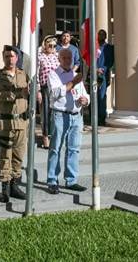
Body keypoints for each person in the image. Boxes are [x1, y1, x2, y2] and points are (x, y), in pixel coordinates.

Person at [46, 48, 89, 194]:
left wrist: (85, 100)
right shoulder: (54, 74)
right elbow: (55, 93)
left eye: (70, 58)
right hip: (60, 114)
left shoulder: (76, 75)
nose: (68, 60)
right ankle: (52, 180)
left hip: (76, 115)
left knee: (74, 149)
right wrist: (72, 83)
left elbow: (85, 95)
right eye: (64, 58)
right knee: (55, 148)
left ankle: (71, 180)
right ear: (59, 59)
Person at [0, 45, 29, 203]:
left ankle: (14, 185)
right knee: (5, 156)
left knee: (18, 156)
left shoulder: (24, 74)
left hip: (21, 121)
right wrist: (20, 92)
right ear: (3, 57)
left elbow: (30, 92)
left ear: (17, 58)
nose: (10, 59)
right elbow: (1, 94)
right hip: (6, 122)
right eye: (7, 56)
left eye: (12, 56)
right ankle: (4, 188)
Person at [37, 35, 60, 149]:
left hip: (56, 87)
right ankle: (45, 137)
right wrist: (38, 91)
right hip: (45, 87)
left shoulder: (56, 56)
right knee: (45, 113)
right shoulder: (40, 56)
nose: (52, 48)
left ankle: (54, 136)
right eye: (50, 45)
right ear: (45, 45)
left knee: (56, 113)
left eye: (54, 46)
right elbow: (36, 74)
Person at [95, 29, 115, 126]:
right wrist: (95, 69)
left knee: (102, 96)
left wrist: (102, 69)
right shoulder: (94, 47)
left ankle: (101, 118)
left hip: (103, 75)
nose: (101, 36)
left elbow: (110, 61)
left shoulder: (109, 48)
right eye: (100, 34)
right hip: (93, 75)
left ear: (106, 36)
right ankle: (93, 117)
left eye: (103, 35)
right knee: (93, 96)